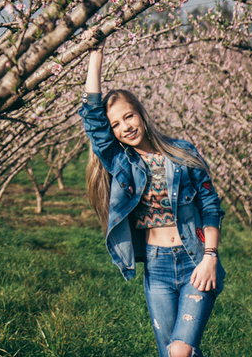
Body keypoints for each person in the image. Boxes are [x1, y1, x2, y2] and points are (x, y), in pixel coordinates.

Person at [80, 45, 224, 357]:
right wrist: (95, 56)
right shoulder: (122, 163)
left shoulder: (182, 152)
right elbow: (92, 120)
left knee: (180, 351)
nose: (125, 127)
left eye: (128, 117)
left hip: (195, 258)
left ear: (142, 114)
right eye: (116, 124)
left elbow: (211, 207)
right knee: (172, 353)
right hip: (157, 266)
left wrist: (210, 257)